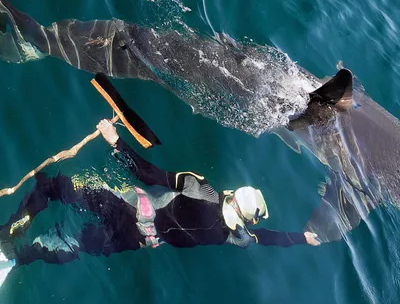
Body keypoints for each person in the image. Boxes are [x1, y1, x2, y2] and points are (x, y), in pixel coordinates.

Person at [0, 120, 319, 282]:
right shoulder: (237, 237)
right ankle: (20, 258)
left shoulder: (201, 188)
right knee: (75, 243)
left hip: (127, 208)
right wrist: (303, 237)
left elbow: (149, 174)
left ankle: (12, 228)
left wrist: (116, 142)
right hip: (134, 241)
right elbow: (268, 238)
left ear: (233, 194)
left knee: (55, 186)